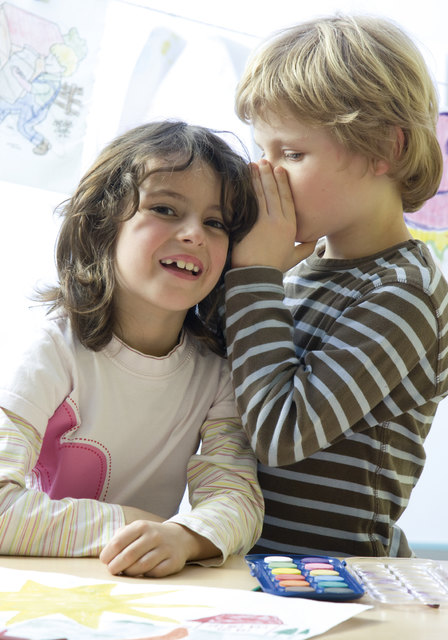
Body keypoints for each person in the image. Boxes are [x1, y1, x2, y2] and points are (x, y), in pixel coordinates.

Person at [224, 14, 448, 557]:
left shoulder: (406, 291)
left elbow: (282, 435)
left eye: (292, 154)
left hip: (337, 581)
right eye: (263, 151)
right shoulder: (296, 271)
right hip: (247, 566)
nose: (264, 175)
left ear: (385, 150)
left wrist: (253, 280)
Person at [0, 120, 263, 577]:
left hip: (138, 597)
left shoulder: (217, 374)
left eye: (215, 222)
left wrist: (185, 537)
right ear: (103, 226)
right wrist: (136, 524)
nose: (194, 234)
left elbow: (236, 497)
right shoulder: (55, 352)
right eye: (165, 208)